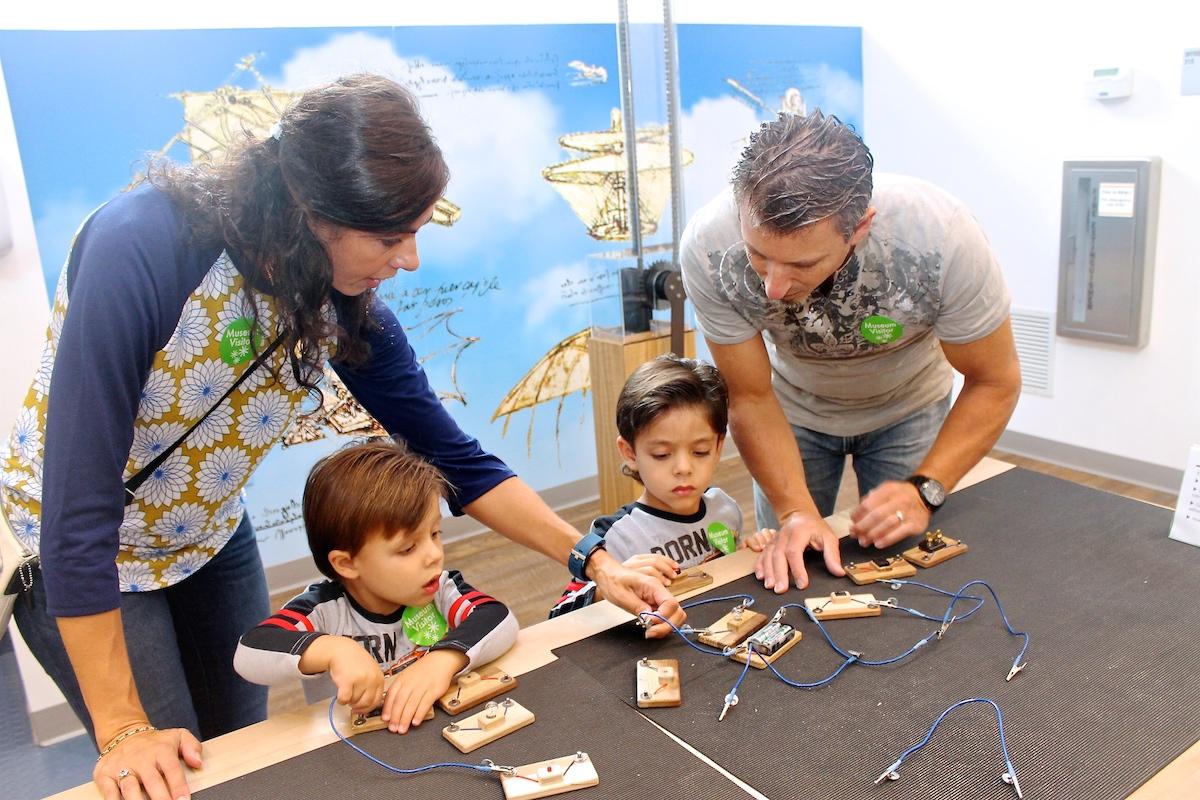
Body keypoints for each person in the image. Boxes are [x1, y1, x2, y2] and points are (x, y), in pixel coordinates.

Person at [0, 73, 683, 800]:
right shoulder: (144, 246)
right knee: (170, 770)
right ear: (311, 213)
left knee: (242, 752)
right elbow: (77, 508)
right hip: (90, 550)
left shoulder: (342, 300)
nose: (410, 258)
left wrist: (595, 561)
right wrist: (123, 731)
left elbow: (455, 459)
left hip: (207, 533)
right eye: (392, 236)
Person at [679, 110, 1021, 595]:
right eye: (758, 255)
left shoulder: (941, 239)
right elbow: (750, 397)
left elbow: (995, 381)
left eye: (801, 263)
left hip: (909, 404)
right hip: (790, 408)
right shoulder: (708, 246)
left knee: (904, 570)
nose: (772, 288)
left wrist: (928, 487)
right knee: (790, 566)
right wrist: (795, 510)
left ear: (860, 227)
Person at [235, 439, 517, 733]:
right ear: (347, 563)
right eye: (408, 548)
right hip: (354, 747)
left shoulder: (441, 589)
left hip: (435, 727)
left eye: (435, 533)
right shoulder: (322, 611)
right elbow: (249, 651)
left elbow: (500, 618)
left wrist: (444, 659)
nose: (434, 554)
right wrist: (332, 650)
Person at [550, 355, 773, 618]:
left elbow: (721, 578)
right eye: (661, 455)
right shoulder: (616, 536)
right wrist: (603, 591)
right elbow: (559, 616)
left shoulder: (724, 508)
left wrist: (748, 554)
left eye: (700, 451)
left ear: (718, 447)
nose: (683, 468)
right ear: (630, 453)